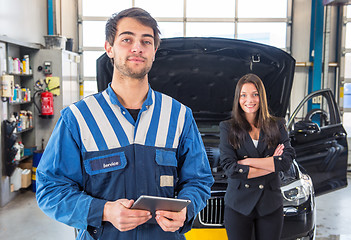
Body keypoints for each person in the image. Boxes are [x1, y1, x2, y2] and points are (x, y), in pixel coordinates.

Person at [36, 7, 214, 240]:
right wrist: (104, 211)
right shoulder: (78, 118)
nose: (137, 47)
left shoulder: (178, 115)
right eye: (127, 39)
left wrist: (187, 209)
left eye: (146, 41)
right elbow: (51, 190)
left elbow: (198, 180)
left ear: (154, 51)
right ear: (109, 48)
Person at [219, 73, 295, 240]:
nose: (249, 100)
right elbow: (231, 169)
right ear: (238, 98)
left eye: (255, 94)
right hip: (238, 205)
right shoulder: (227, 128)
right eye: (243, 95)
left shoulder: (277, 125)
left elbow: (286, 161)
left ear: (262, 97)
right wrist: (272, 163)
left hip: (270, 204)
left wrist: (248, 162)